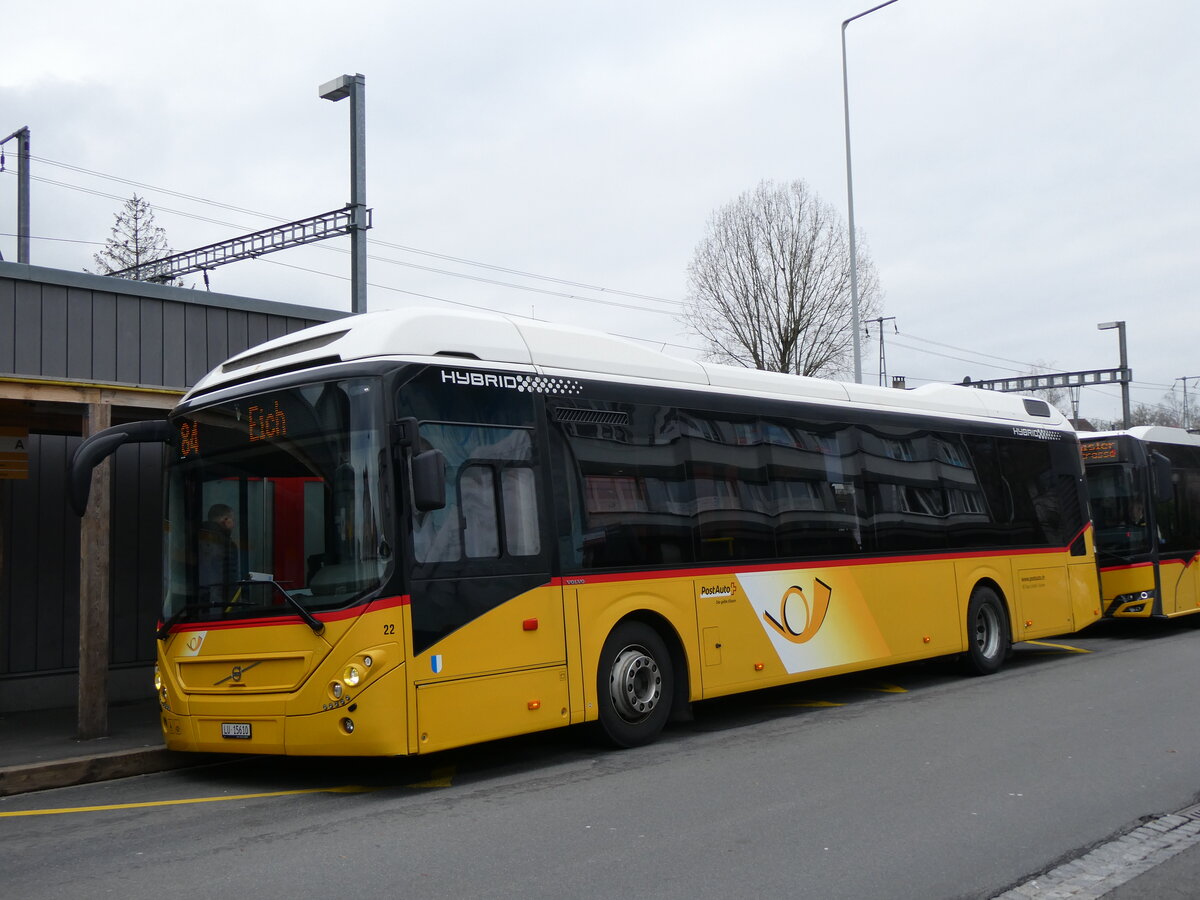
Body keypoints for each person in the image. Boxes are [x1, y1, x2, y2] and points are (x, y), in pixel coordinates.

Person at [198, 503, 240, 607]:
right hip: (219, 602)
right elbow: (229, 578)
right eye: (232, 520)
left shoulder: (196, 536)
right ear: (225, 520)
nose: (233, 525)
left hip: (200, 598)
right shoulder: (227, 544)